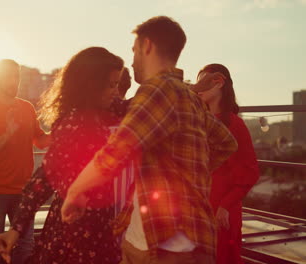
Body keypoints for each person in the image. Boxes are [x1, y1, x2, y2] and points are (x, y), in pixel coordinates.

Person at [61, 16, 238, 264]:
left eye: (134, 51)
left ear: (147, 46)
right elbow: (226, 143)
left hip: (169, 245)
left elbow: (117, 151)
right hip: (151, 237)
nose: (132, 61)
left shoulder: (156, 89)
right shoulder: (189, 98)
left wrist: (75, 192)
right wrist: (189, 173)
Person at [0, 47, 125, 264]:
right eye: (111, 85)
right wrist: (15, 230)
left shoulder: (104, 111)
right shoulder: (74, 123)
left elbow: (137, 105)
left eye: (117, 84)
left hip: (99, 226)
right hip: (76, 229)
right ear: (92, 85)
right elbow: (44, 177)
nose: (116, 91)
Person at [0, 59, 51, 264]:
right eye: (8, 76)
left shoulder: (27, 108)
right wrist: (7, 135)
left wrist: (63, 129)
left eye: (16, 76)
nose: (14, 81)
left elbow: (41, 140)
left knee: (26, 247)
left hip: (24, 192)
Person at [197, 64, 259, 264]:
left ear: (219, 83)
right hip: (198, 210)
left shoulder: (235, 124)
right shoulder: (199, 121)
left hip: (221, 213)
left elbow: (250, 172)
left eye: (204, 81)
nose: (198, 87)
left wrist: (225, 205)